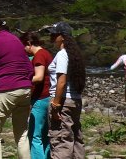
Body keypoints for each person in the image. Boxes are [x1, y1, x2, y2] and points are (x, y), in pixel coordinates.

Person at [0, 16, 34, 159]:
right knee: (22, 131)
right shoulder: (15, 39)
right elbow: (29, 67)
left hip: (7, 88)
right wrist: (27, 81)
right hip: (25, 88)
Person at [42, 22, 86, 159]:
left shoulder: (62, 54)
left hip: (63, 102)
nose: (52, 36)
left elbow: (61, 81)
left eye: (54, 34)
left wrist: (55, 105)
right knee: (76, 138)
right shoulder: (74, 55)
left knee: (61, 139)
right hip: (75, 100)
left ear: (62, 37)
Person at [21, 31, 54, 159]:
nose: (23, 50)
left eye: (24, 46)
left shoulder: (39, 56)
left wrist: (23, 81)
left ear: (29, 44)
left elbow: (39, 77)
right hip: (48, 96)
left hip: (40, 98)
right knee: (45, 133)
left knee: (34, 135)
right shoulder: (46, 53)